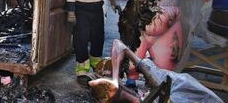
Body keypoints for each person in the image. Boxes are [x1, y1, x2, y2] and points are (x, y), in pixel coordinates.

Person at [88, 39, 223, 103]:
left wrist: (116, 78)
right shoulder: (145, 74)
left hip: (181, 89)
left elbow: (119, 44)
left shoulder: (147, 68)